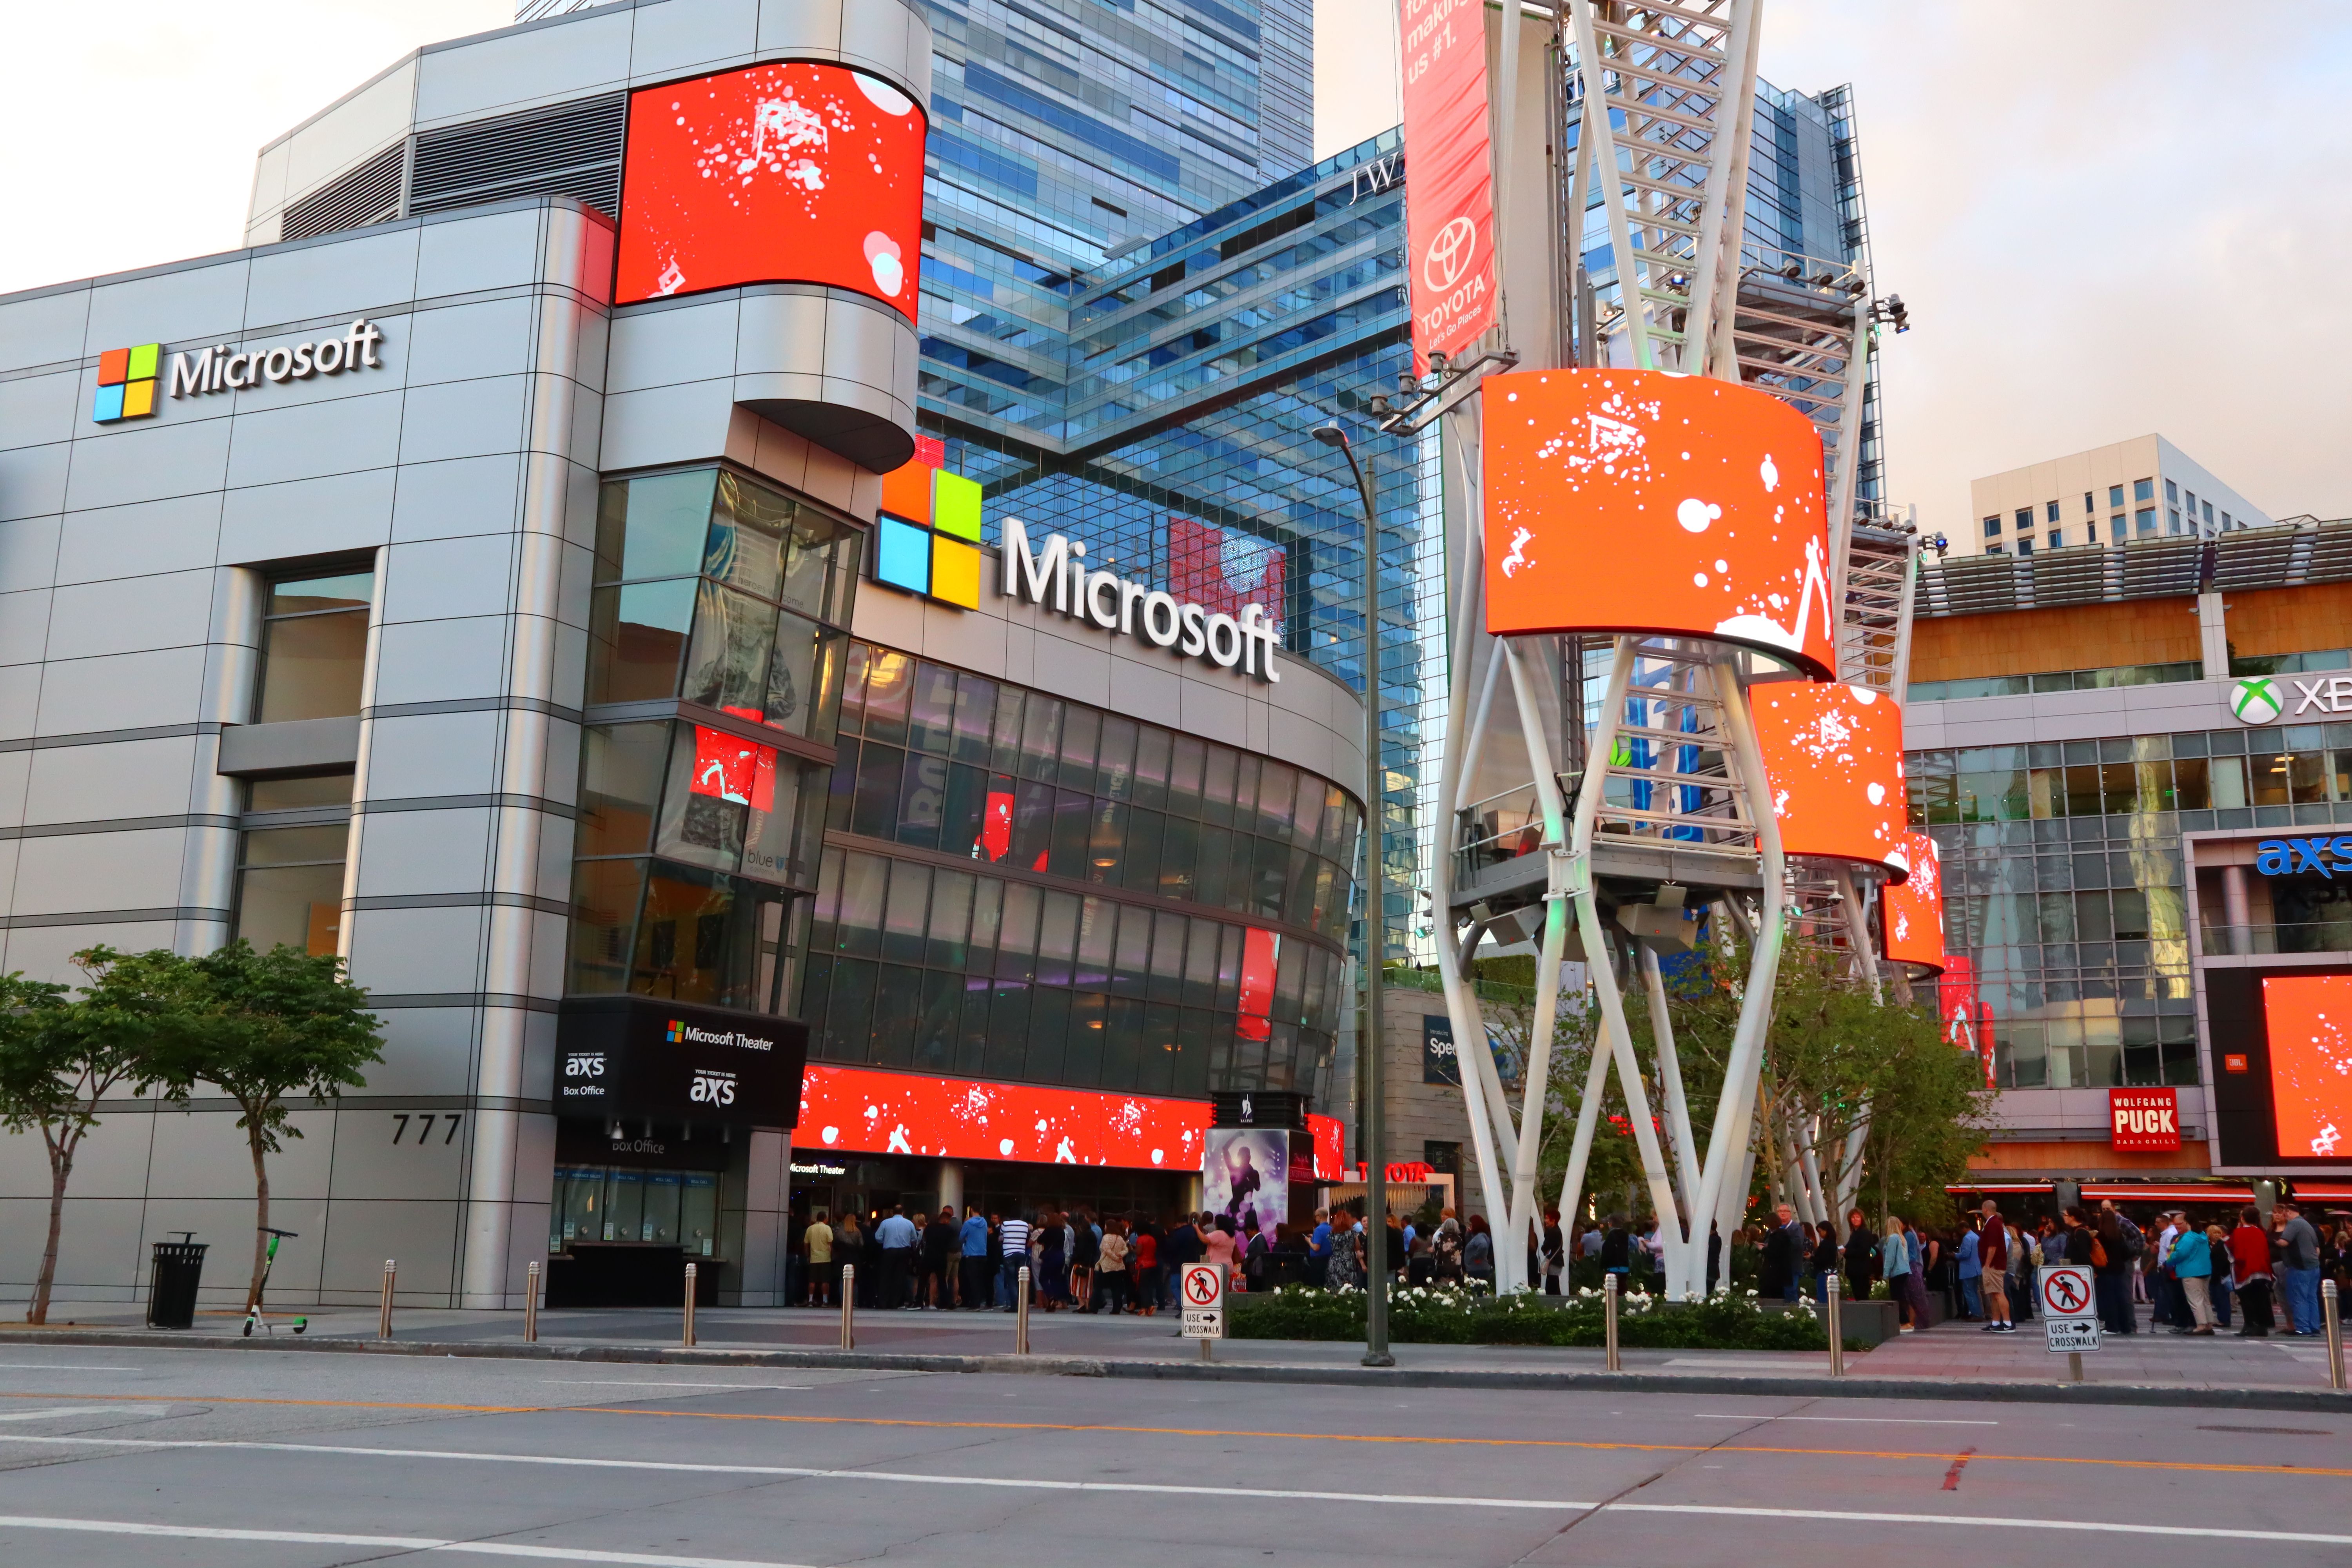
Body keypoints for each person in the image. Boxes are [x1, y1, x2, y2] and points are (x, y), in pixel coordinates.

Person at [2276, 1201, 2321, 1336]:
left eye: (2285, 1214)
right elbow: (2317, 1249)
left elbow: (2284, 1242)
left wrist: (2273, 1240)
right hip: (2314, 1266)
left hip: (2300, 1266)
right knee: (2311, 1297)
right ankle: (2314, 1326)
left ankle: (2302, 1328)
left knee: (2299, 1297)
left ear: (2288, 1212)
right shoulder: (2308, 1225)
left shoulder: (2294, 1224)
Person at [2229, 1205, 2274, 1337]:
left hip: (2246, 1270)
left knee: (2247, 1300)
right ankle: (2262, 1326)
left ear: (2242, 1218)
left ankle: (2249, 1325)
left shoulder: (2239, 1233)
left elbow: (2231, 1249)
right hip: (2261, 1269)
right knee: (2260, 1299)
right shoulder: (2261, 1232)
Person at [2168, 1211, 2215, 1334]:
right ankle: (2209, 1324)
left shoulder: (2188, 1237)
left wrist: (2170, 1259)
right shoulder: (2203, 1236)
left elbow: (2181, 1253)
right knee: (2205, 1299)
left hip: (2191, 1271)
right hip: (2205, 1270)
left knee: (2195, 1300)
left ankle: (2200, 1325)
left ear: (2187, 1223)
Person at [1976, 1201, 2012, 1332]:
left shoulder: (1992, 1224)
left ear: (1985, 1210)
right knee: (1994, 1294)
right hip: (1995, 1264)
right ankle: (1996, 1322)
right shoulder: (1994, 1223)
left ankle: (2007, 1323)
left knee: (1998, 1293)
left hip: (1994, 1266)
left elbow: (1992, 1247)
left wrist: (1987, 1264)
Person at [875, 1203, 918, 1310]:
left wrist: (885, 1241)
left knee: (886, 1277)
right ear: (903, 1213)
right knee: (900, 1278)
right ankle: (895, 1303)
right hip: (904, 1252)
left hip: (889, 1251)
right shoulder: (909, 1223)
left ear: (893, 1212)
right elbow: (914, 1239)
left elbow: (878, 1237)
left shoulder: (885, 1223)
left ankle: (883, 1302)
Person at [1760, 1203, 1799, 1302]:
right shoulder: (1777, 1234)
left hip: (1776, 1274)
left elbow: (1775, 1253)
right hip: (1776, 1273)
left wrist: (1763, 1249)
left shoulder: (1780, 1235)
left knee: (1775, 1298)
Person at [1880, 1216, 1913, 1331]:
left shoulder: (1893, 1239)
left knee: (1896, 1297)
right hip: (1904, 1270)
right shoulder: (1901, 1238)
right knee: (1901, 1296)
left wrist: (1885, 1274)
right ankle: (1905, 1320)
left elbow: (1890, 1257)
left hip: (1897, 1271)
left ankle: (1904, 1321)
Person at [996, 1210, 1031, 1311]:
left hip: (1009, 1254)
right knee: (1020, 1280)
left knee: (1011, 1281)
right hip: (1021, 1254)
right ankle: (1022, 1304)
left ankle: (1014, 1305)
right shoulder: (1025, 1225)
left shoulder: (1005, 1224)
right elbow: (1028, 1237)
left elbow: (1001, 1237)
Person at [1842, 1210, 1878, 1305]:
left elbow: (1864, 1250)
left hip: (1861, 1270)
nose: (1855, 1219)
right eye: (1853, 1217)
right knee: (1858, 1295)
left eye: (1858, 1217)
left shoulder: (1864, 1233)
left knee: (1862, 1296)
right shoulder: (1854, 1233)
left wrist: (1847, 1251)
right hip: (1854, 1270)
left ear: (1862, 1219)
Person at [1095, 1217, 1129, 1315]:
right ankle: (1117, 1308)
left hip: (1106, 1265)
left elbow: (1107, 1250)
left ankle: (1095, 1307)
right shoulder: (1120, 1238)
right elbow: (1126, 1249)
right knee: (1116, 1288)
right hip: (1118, 1266)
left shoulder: (1106, 1237)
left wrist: (1115, 1257)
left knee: (1098, 1287)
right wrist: (1121, 1255)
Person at [959, 1205, 990, 1311]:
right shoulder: (985, 1222)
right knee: (980, 1279)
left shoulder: (968, 1223)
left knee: (972, 1280)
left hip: (971, 1254)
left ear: (971, 1210)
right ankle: (979, 1302)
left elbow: (961, 1237)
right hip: (983, 1254)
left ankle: (974, 1304)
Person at [1070, 1208, 1100, 1312]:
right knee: (1088, 1286)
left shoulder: (1081, 1236)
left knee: (1076, 1285)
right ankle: (1087, 1305)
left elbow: (1079, 1251)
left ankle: (1081, 1303)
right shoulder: (1093, 1235)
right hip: (1091, 1263)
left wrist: (1074, 1259)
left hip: (1080, 1263)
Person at [804, 1210, 835, 1307]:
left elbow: (806, 1243)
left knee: (812, 1281)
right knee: (825, 1281)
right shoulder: (827, 1228)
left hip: (814, 1258)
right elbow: (830, 1244)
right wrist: (832, 1255)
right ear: (825, 1218)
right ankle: (825, 1301)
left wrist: (808, 1255)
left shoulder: (810, 1229)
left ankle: (810, 1300)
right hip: (825, 1258)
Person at [1129, 1217, 1160, 1315]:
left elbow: (1139, 1252)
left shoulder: (1140, 1239)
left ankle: (1145, 1308)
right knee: (1149, 1287)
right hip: (1153, 1264)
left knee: (1142, 1287)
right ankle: (1149, 1306)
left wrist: (1131, 1249)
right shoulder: (1152, 1239)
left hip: (1143, 1266)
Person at [1955, 1217, 1983, 1321]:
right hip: (1976, 1268)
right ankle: (1978, 1313)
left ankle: (1976, 1314)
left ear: (1963, 1228)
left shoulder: (1967, 1238)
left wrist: (1956, 1255)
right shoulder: (1976, 1237)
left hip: (1968, 1269)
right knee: (1974, 1291)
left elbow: (1966, 1254)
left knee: (1969, 1292)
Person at [1464, 1214, 1495, 1289]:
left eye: (1471, 1224)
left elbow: (1483, 1246)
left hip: (1478, 1270)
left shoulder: (1480, 1237)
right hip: (1476, 1269)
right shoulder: (1477, 1236)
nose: (1470, 1226)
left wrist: (1476, 1256)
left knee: (1477, 1291)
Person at [1541, 1207, 1566, 1295]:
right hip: (1557, 1261)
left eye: (1547, 1219)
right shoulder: (1557, 1231)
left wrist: (1544, 1249)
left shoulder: (1553, 1232)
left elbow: (1546, 1247)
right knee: (1553, 1284)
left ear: (1554, 1220)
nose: (1546, 1221)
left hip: (1554, 1261)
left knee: (1552, 1286)